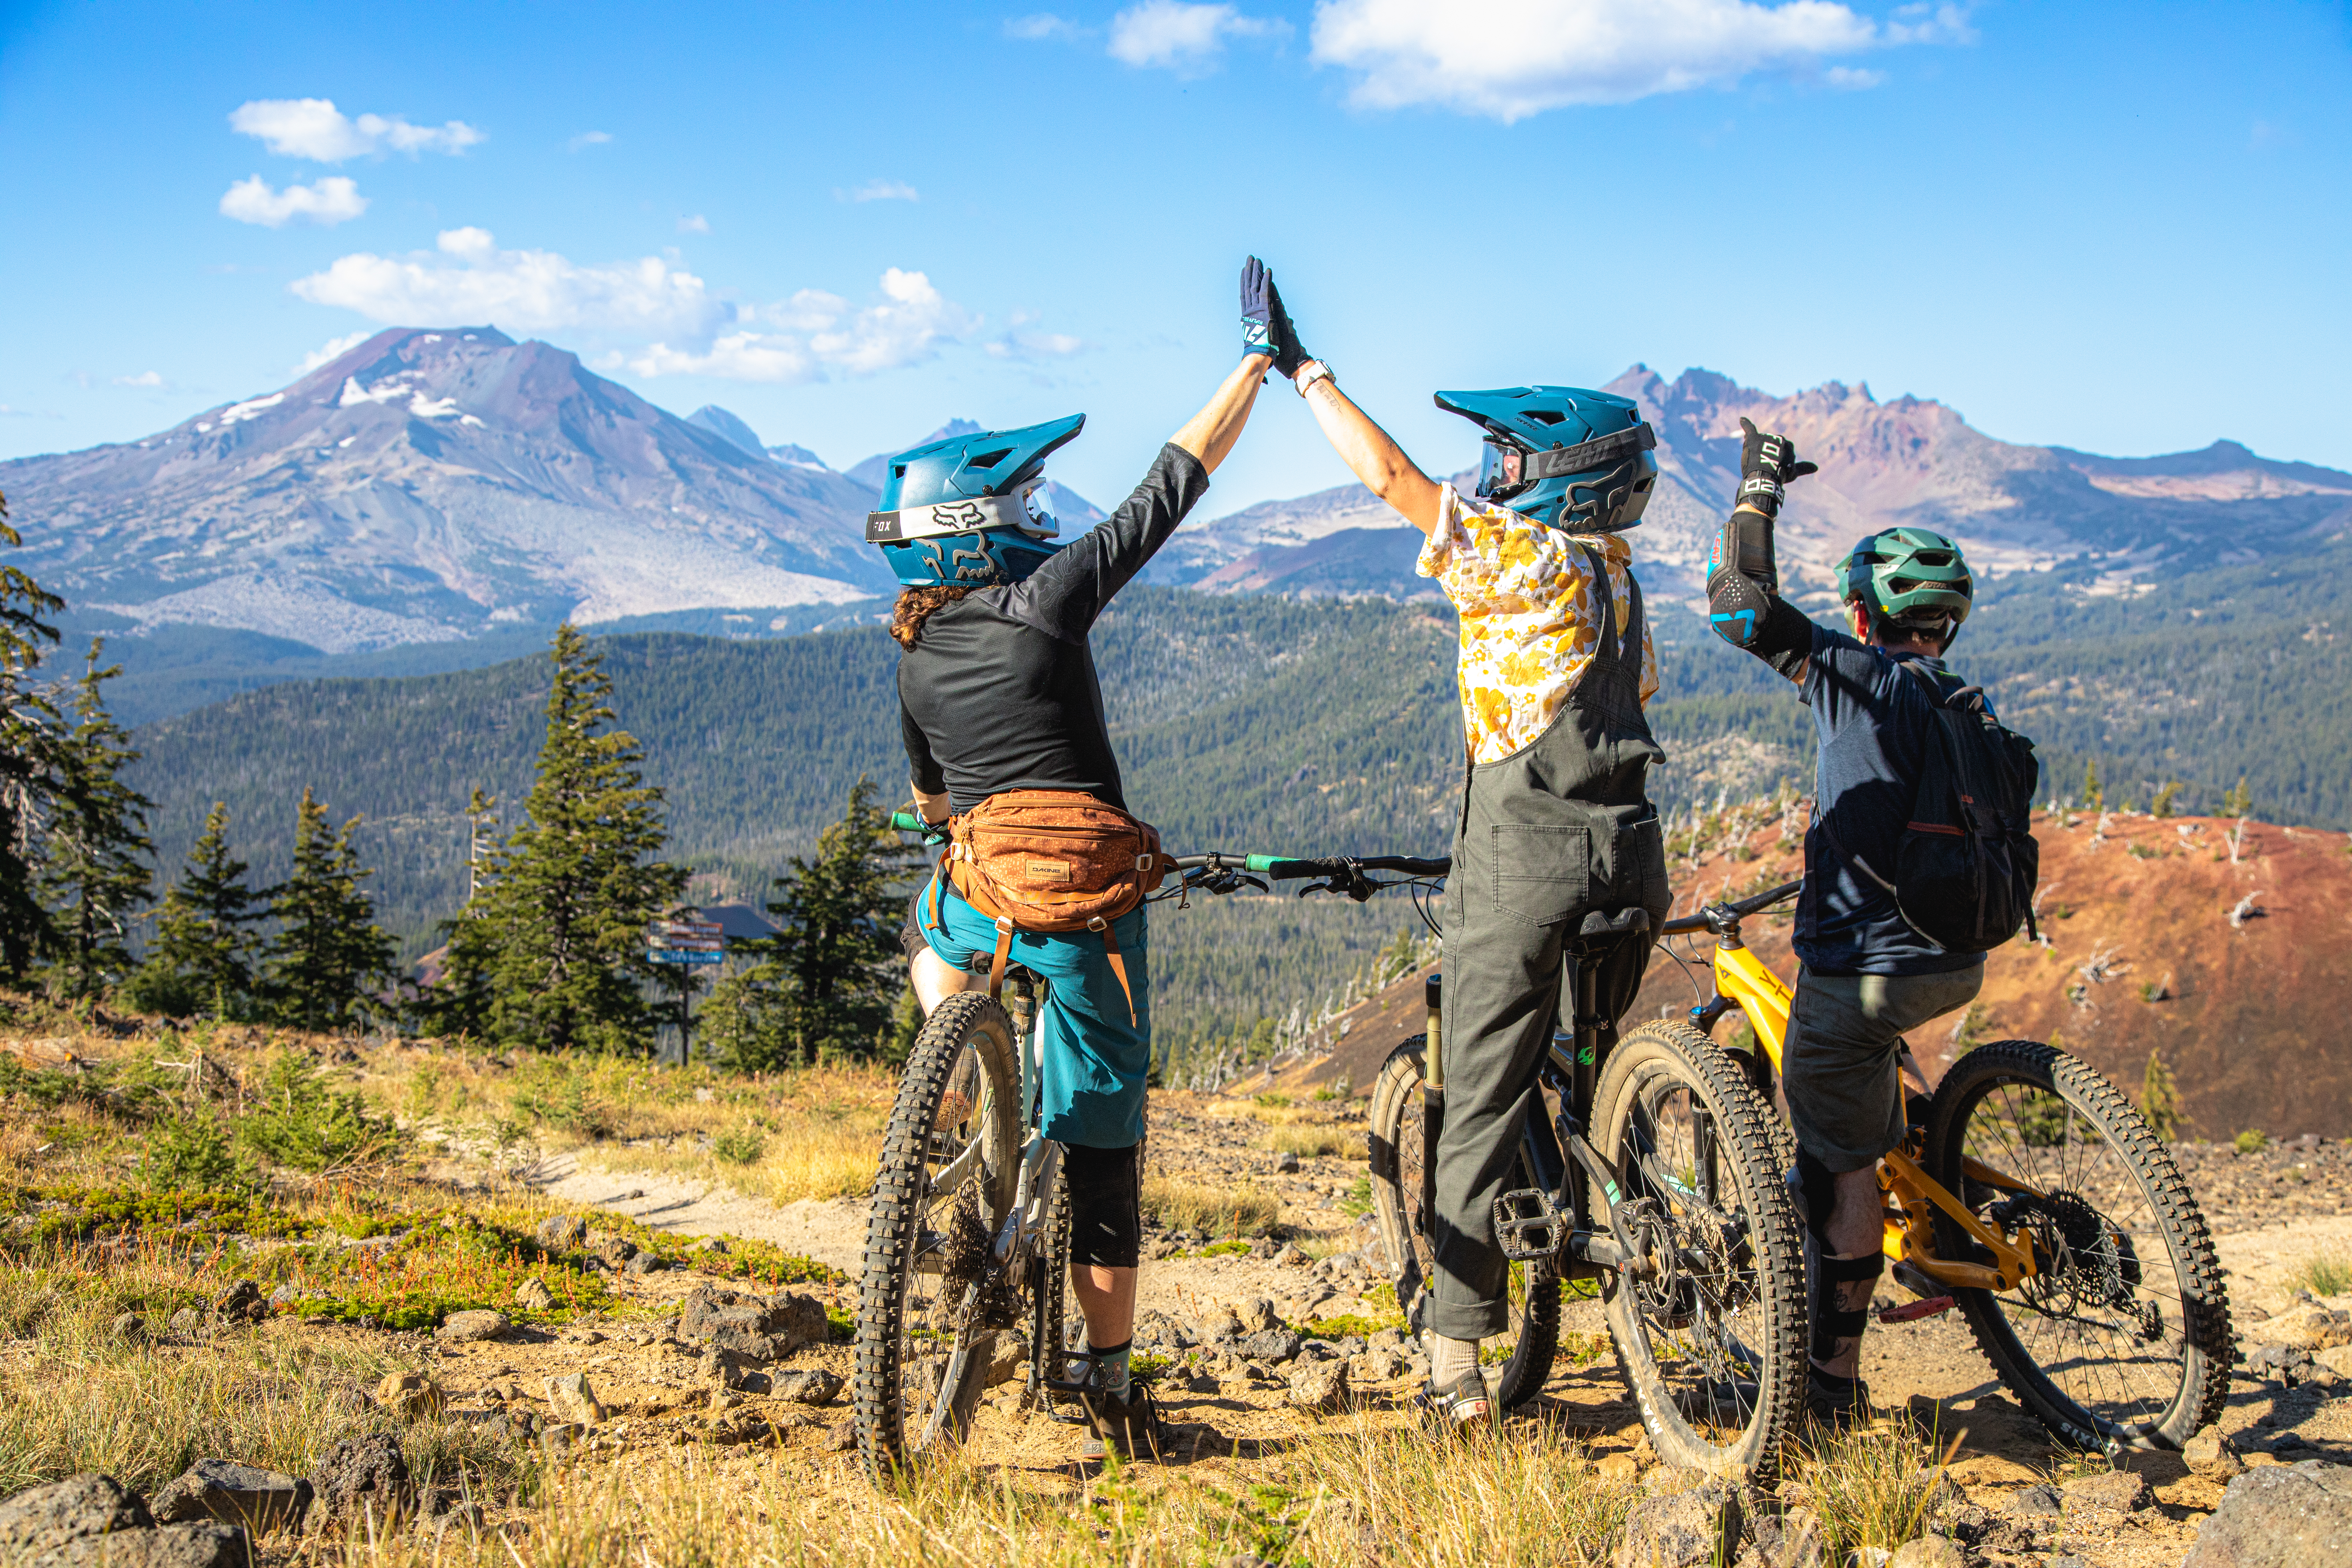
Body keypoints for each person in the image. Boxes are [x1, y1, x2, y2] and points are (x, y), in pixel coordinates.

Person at [881, 262, 1286, 1459]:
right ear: (978, 534)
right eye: (1021, 506)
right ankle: (1107, 1384)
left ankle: (950, 1071)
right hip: (1090, 910)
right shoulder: (1047, 604)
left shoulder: (914, 658)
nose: (1041, 518)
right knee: (1107, 1155)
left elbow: (930, 801)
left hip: (981, 893)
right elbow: (1170, 488)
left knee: (927, 929)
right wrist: (1258, 362)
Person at [1270, 287, 1671, 1427]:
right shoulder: (1621, 581)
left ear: (1558, 480)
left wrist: (1306, 375)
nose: (1490, 475)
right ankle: (1633, 1226)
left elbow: (1396, 481)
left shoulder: (1527, 563)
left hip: (1525, 855)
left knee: (1481, 1098)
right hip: (1631, 858)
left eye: (1505, 459)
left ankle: (1455, 1366)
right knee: (1590, 1069)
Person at [1704, 424, 1987, 1424]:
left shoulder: (1853, 674)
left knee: (1838, 1160)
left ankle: (1830, 1384)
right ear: (1943, 624)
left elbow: (1739, 607)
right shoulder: (1967, 705)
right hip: (1957, 960)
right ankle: (1933, 1197)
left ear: (1865, 615)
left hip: (1864, 969)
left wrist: (1759, 488)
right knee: (1870, 1071)